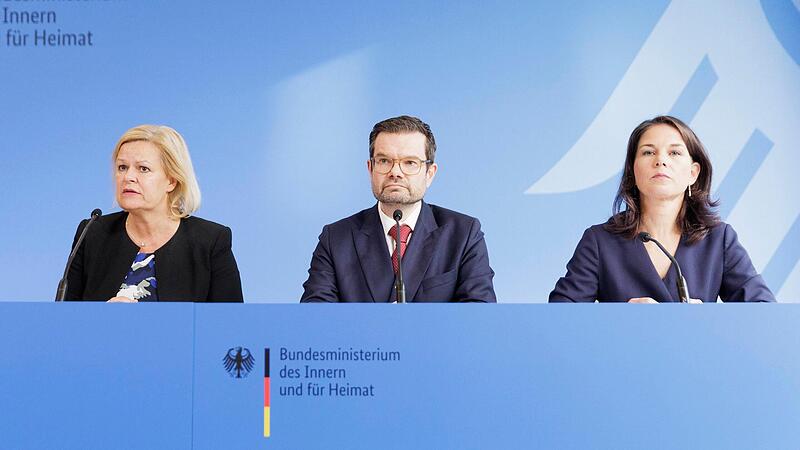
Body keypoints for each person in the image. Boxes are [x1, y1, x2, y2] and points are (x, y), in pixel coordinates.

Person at [549, 115, 775, 303]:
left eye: (674, 153)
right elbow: (560, 316)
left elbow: (763, 312)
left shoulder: (719, 240)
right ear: (632, 171)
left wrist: (709, 318)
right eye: (648, 152)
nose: (661, 161)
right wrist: (616, 318)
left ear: (693, 174)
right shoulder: (599, 241)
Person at [301, 115, 496, 303]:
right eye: (384, 161)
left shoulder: (463, 234)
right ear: (370, 169)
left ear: (430, 173)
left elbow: (478, 313)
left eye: (410, 163)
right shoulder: (336, 238)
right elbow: (316, 318)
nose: (395, 172)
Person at [65, 125, 243, 302]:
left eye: (143, 169)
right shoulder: (92, 234)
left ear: (172, 181)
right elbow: (65, 320)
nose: (128, 177)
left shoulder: (210, 241)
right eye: (122, 167)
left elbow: (231, 325)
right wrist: (104, 318)